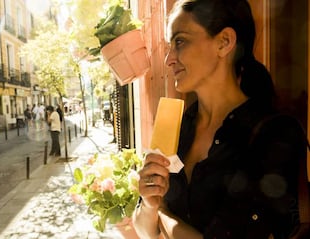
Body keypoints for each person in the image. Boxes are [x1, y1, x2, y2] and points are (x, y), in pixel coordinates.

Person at [132, 1, 308, 239]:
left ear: (224, 42)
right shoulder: (181, 126)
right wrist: (149, 203)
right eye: (169, 46)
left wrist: (162, 213)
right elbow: (144, 230)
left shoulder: (275, 133)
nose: (168, 60)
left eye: (180, 41)